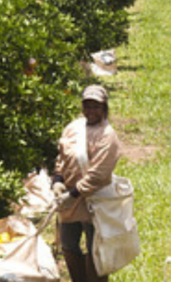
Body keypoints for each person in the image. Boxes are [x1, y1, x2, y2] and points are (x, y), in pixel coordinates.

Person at [52, 86, 121, 282]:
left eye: (96, 107)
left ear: (104, 108)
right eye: (87, 106)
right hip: (70, 201)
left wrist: (73, 193)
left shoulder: (108, 136)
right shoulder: (73, 128)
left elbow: (98, 174)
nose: (90, 111)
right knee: (68, 243)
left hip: (95, 200)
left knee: (95, 248)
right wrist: (58, 180)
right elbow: (62, 157)